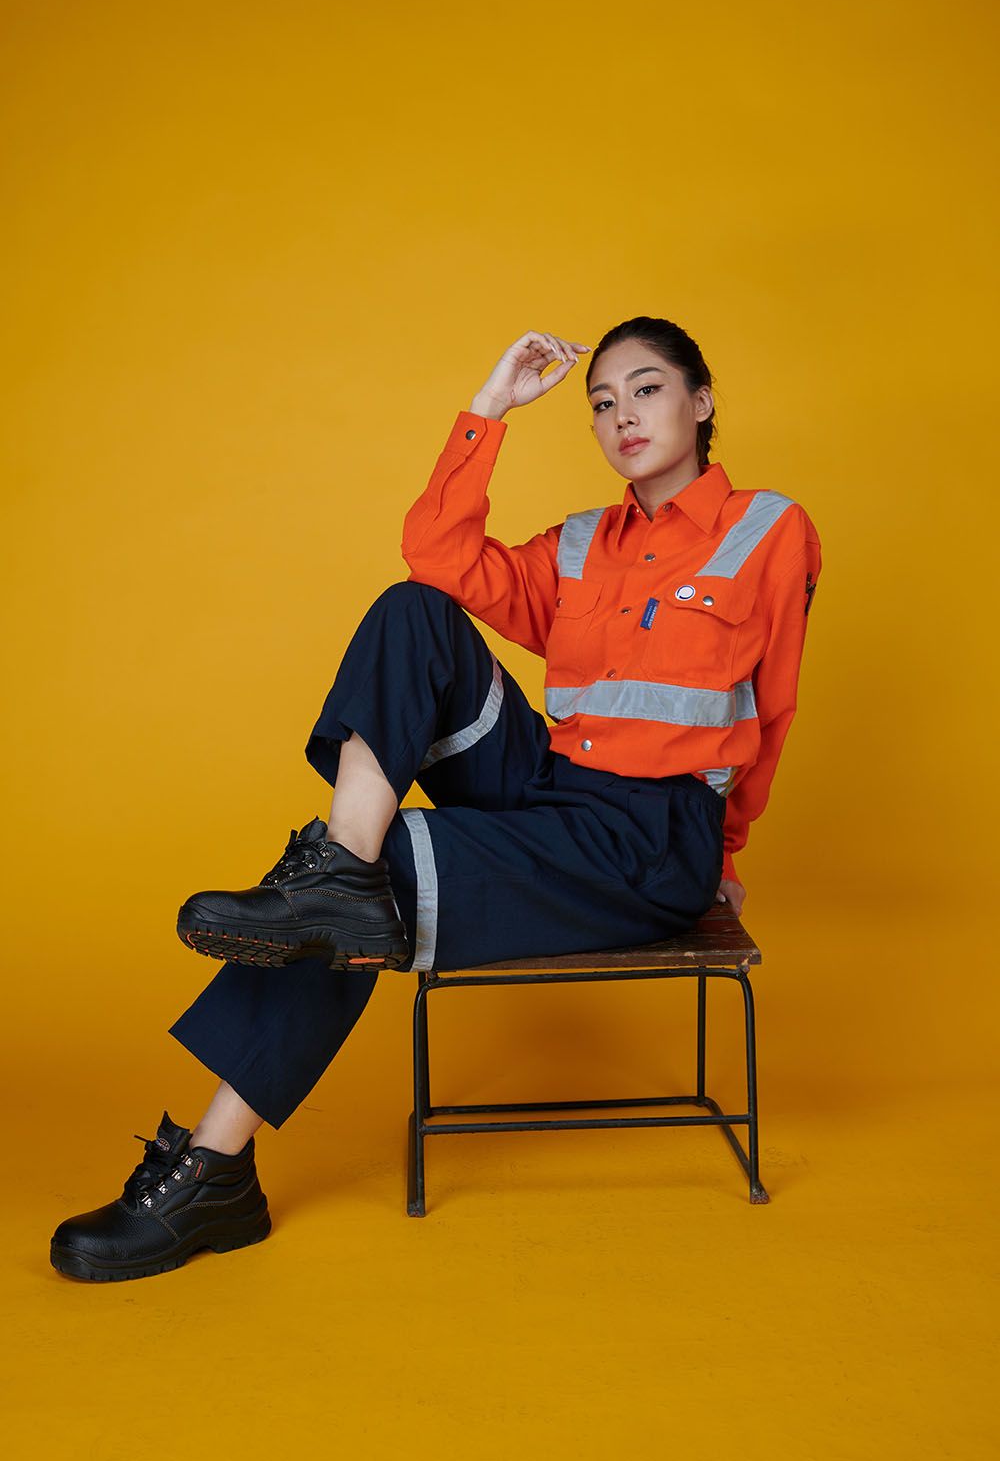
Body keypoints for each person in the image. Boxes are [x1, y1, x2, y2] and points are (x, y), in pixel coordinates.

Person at [50, 317, 822, 1282]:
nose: (622, 415)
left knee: (375, 888)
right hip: (553, 789)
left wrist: (724, 856)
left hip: (650, 838)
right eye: (601, 402)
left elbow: (772, 711)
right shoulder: (582, 544)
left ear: (701, 402)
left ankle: (214, 1165)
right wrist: (491, 407)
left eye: (647, 389)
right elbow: (439, 557)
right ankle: (337, 873)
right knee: (412, 611)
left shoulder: (769, 530)